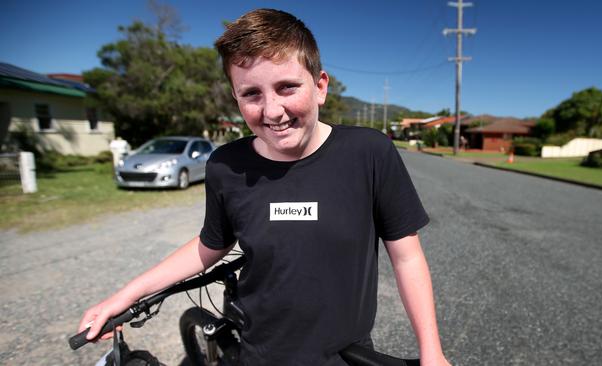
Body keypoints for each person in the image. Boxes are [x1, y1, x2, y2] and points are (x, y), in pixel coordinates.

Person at [79, 9, 450, 366]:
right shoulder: (225, 165)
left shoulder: (368, 153)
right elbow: (211, 245)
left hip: (346, 354)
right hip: (258, 350)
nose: (272, 111)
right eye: (251, 94)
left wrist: (431, 352)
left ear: (320, 86)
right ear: (236, 98)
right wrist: (124, 296)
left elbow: (407, 257)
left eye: (287, 87)